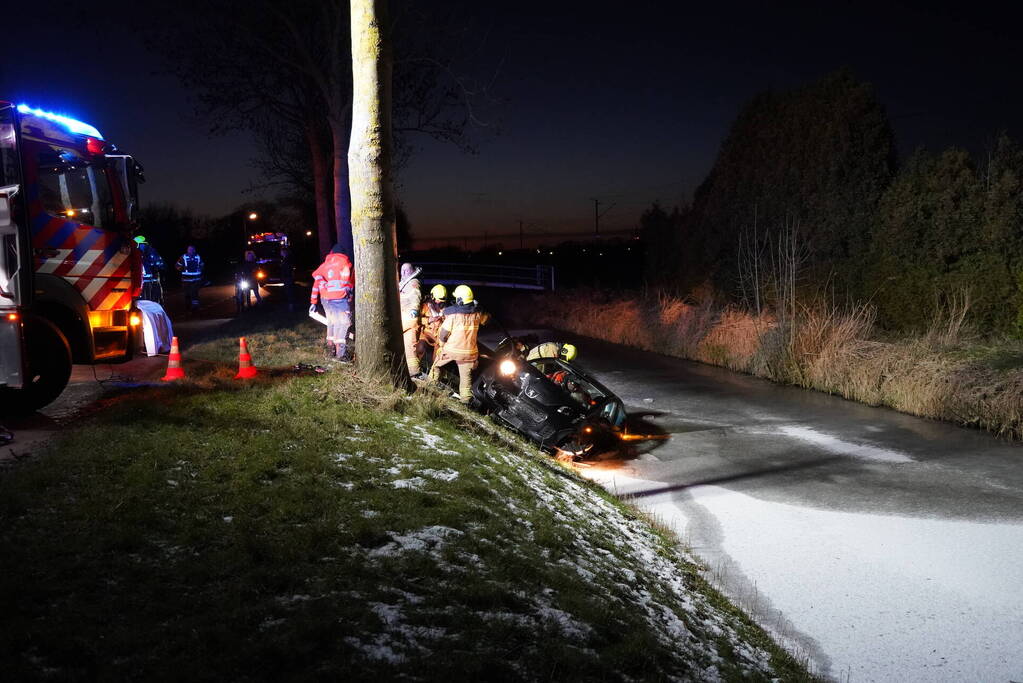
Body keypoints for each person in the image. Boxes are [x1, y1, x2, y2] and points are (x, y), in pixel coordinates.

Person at [430, 284, 487, 403]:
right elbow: (485, 319)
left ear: (459, 299)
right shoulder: (477, 315)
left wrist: (442, 344)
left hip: (452, 350)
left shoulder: (453, 315)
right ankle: (466, 399)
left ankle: (431, 385)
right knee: (466, 378)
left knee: (437, 366)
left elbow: (443, 334)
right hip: (469, 353)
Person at [310, 245, 354, 360]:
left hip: (325, 299)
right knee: (343, 323)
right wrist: (349, 297)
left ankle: (330, 351)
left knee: (332, 322)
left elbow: (316, 281)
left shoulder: (324, 265)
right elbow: (348, 283)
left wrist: (313, 302)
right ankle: (341, 355)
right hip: (340, 298)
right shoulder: (345, 263)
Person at [398, 263, 425, 379]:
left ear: (412, 271)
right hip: (403, 317)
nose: (403, 273)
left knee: (410, 344)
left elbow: (415, 297)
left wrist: (414, 310)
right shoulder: (403, 283)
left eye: (406, 270)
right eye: (402, 270)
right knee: (404, 345)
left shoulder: (413, 282)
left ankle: (414, 372)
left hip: (409, 318)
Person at [417, 284, 447, 369]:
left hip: (438, 337)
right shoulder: (425, 306)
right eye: (437, 300)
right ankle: (416, 367)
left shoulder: (446, 309)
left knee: (438, 356)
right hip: (425, 334)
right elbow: (416, 320)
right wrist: (428, 320)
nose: (439, 302)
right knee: (420, 348)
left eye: (441, 301)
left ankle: (433, 371)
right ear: (432, 297)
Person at [134, 235, 165, 304]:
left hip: (150, 280)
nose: (136, 247)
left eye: (137, 245)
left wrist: (153, 267)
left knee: (151, 297)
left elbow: (160, 265)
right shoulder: (138, 253)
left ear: (142, 244)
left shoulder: (150, 252)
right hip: (141, 280)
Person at [175, 245, 204, 313]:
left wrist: (200, 269)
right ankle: (188, 306)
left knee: (194, 292)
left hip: (196, 279)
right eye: (189, 249)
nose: (190, 251)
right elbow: (177, 265)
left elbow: (202, 264)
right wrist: (182, 269)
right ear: (187, 250)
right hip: (186, 279)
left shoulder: (198, 257)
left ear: (194, 250)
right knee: (187, 293)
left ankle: (195, 307)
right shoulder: (183, 257)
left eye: (192, 249)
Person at [280, 246, 296, 312]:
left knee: (289, 292)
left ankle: (291, 306)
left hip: (288, 278)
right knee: (289, 292)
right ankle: (290, 306)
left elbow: (287, 269)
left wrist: (285, 277)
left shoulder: (287, 260)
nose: (280, 253)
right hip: (287, 278)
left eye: (281, 251)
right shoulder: (286, 259)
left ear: (284, 252)